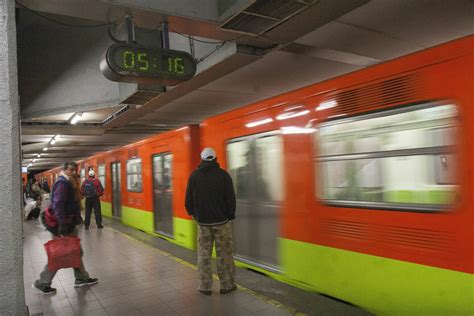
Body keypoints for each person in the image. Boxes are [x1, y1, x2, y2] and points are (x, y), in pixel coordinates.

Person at [33, 161, 98, 294]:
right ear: (64, 169)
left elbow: (70, 203)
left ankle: (81, 278)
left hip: (67, 222)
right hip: (61, 224)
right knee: (60, 254)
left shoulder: (68, 181)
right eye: (71, 169)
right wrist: (62, 224)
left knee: (76, 251)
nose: (74, 172)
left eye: (75, 169)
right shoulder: (62, 183)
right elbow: (58, 204)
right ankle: (43, 282)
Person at [185, 147, 237, 295]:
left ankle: (204, 286)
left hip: (203, 224)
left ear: (201, 160)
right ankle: (226, 285)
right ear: (215, 159)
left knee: (203, 255)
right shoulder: (223, 175)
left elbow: (188, 200)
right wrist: (230, 215)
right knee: (224, 254)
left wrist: (194, 215)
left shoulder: (194, 176)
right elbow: (231, 198)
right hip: (222, 223)